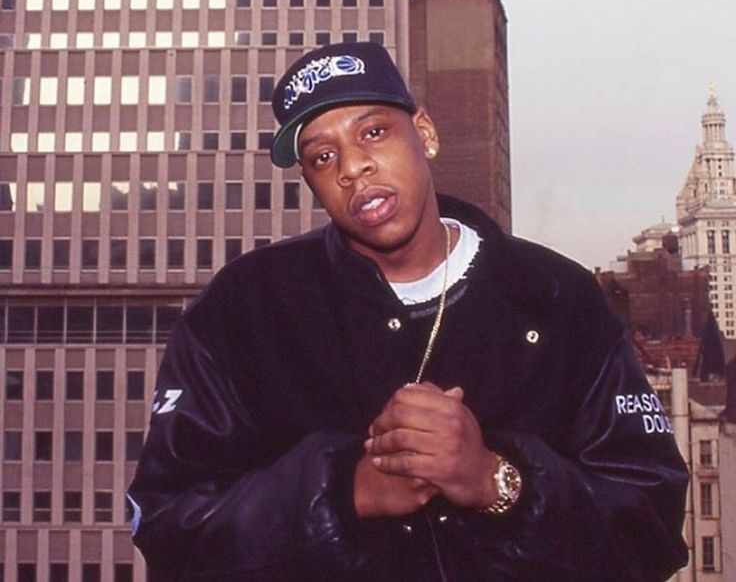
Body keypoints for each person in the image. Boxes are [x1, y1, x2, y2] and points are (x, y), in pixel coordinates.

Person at [128, 42, 688, 581]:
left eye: (373, 132)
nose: (354, 167)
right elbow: (169, 530)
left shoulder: (555, 295)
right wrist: (346, 495)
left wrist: (498, 481)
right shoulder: (243, 309)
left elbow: (652, 530)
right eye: (324, 156)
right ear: (312, 181)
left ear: (424, 134)